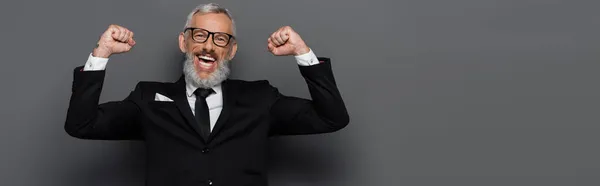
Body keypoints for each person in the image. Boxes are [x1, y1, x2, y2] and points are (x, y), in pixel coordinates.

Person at [64, 3, 349, 186]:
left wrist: (302, 52)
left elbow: (332, 118)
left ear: (231, 50)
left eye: (220, 39)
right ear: (183, 42)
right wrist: (101, 54)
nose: (209, 46)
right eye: (199, 35)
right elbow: (81, 125)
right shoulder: (147, 97)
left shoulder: (260, 98)